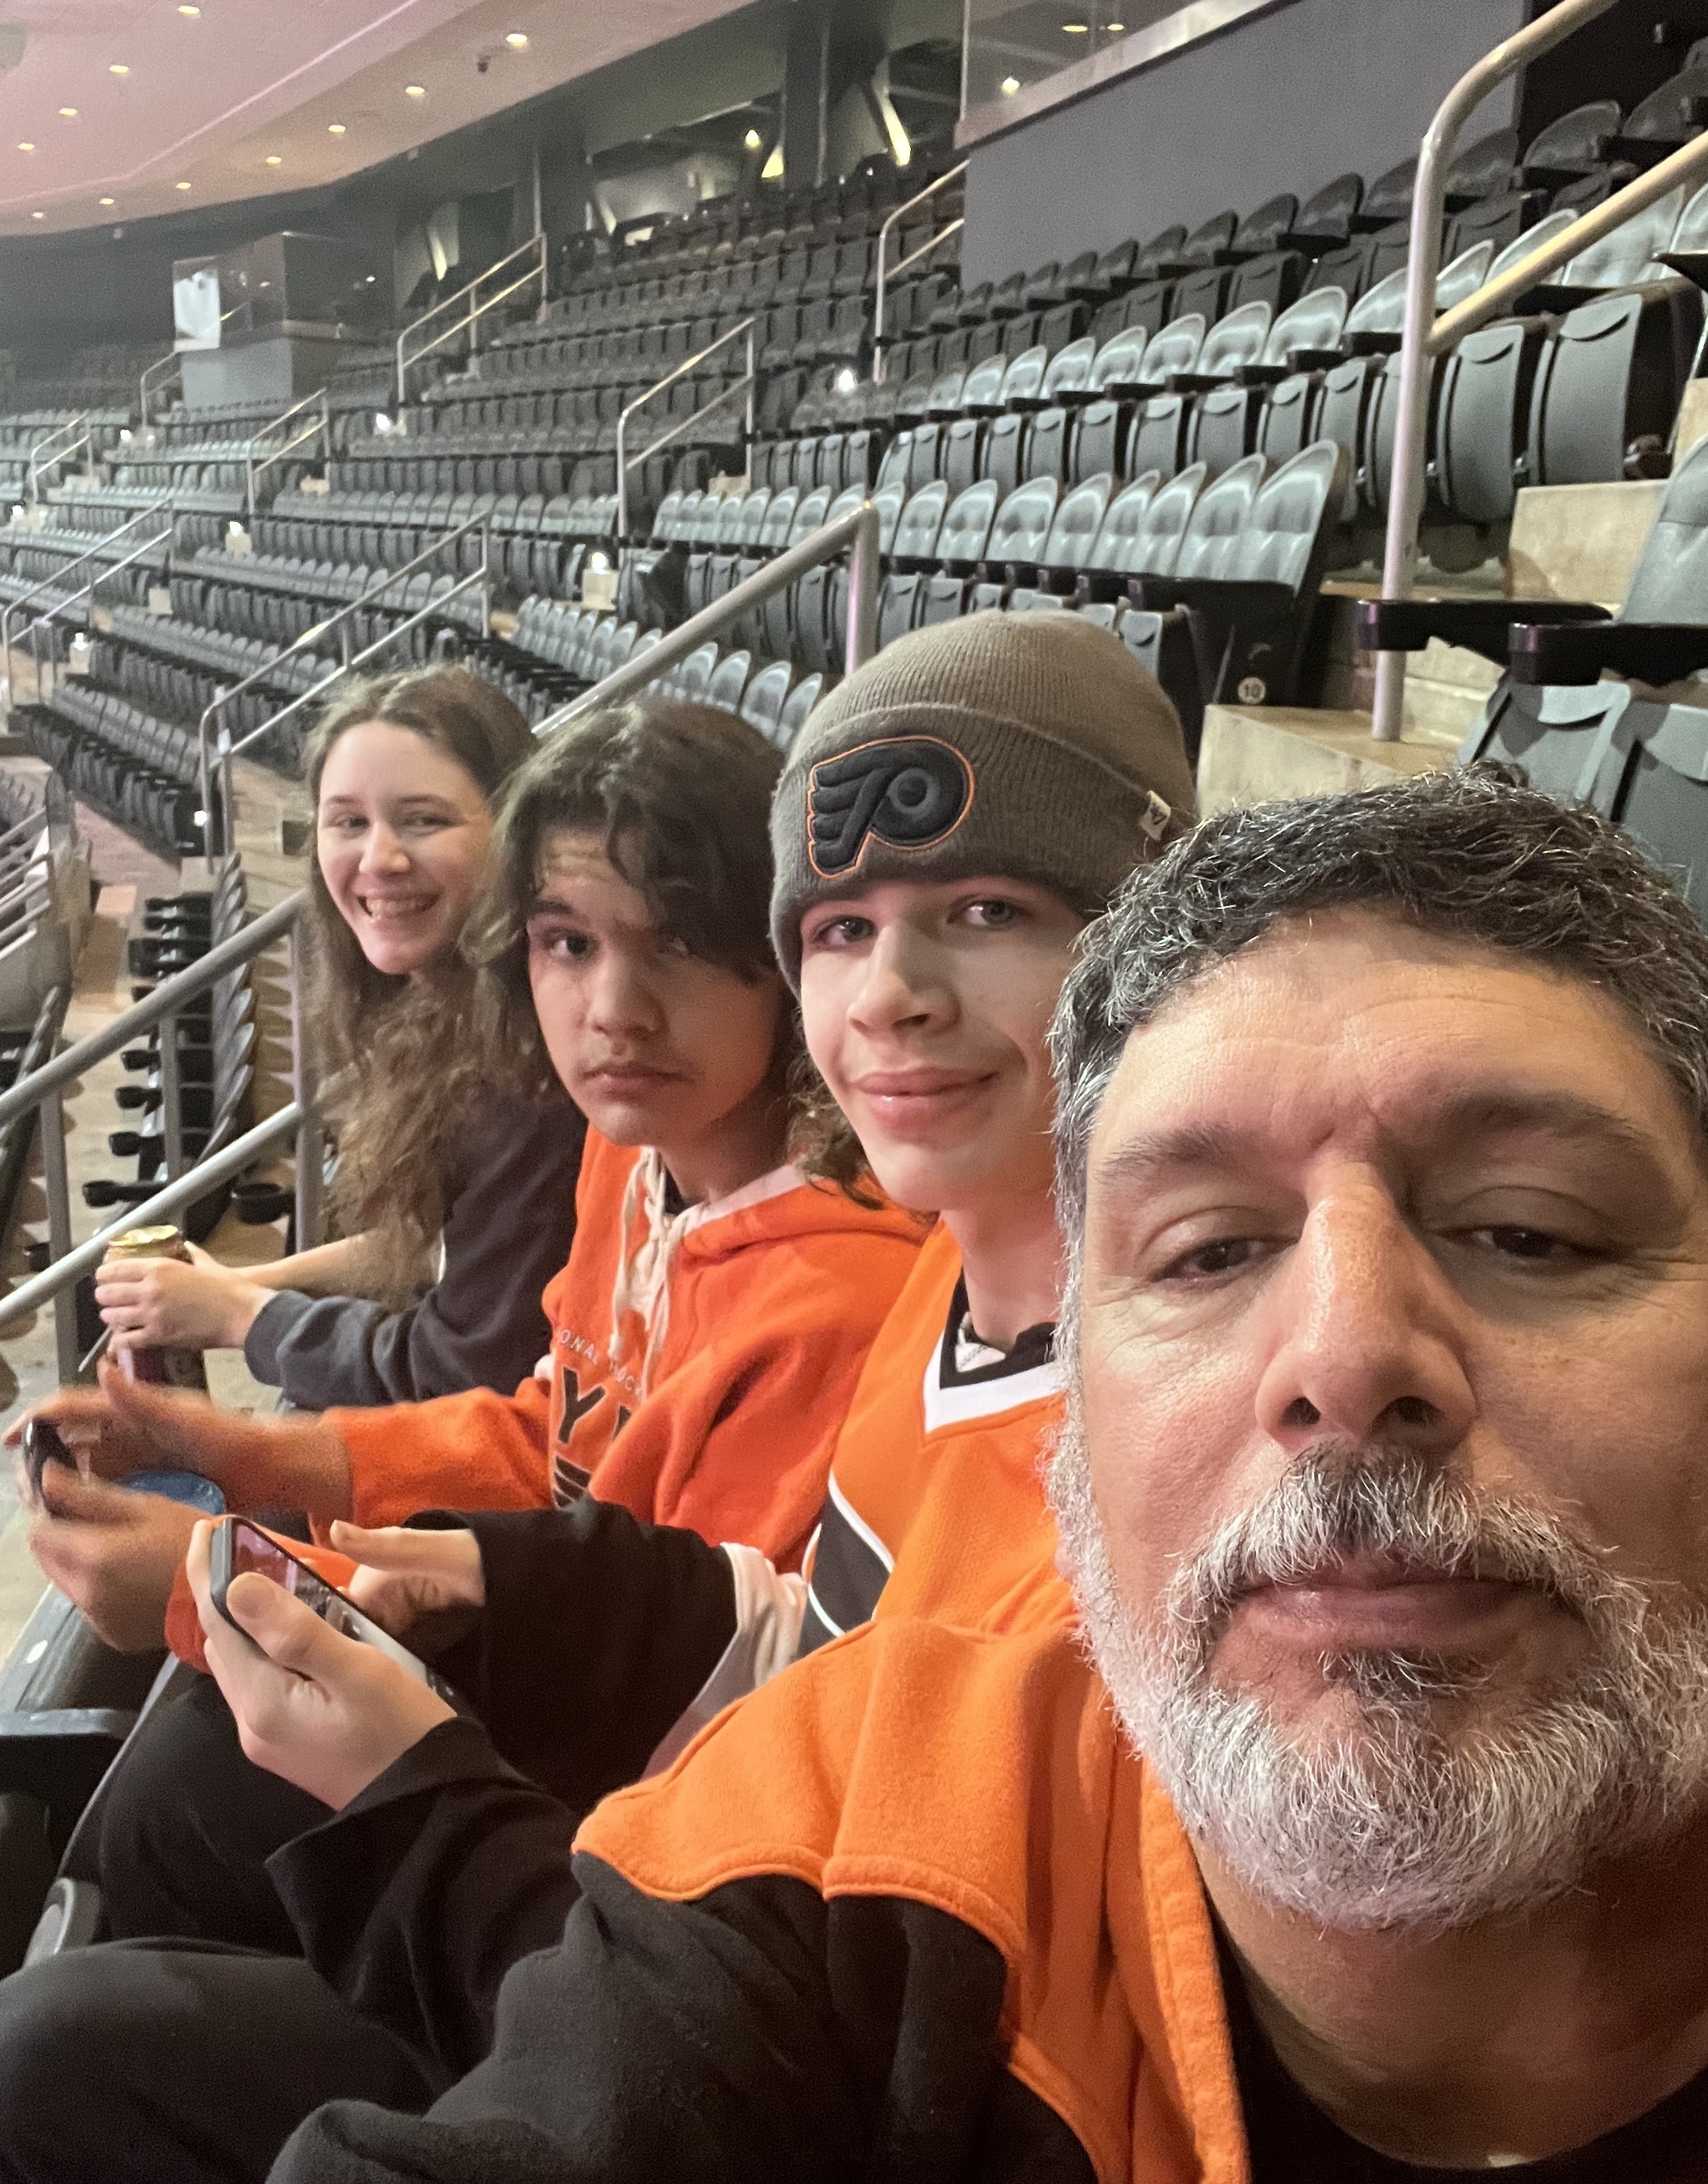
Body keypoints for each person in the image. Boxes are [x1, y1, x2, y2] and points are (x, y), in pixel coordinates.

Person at [60, 763, 1708, 2184]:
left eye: (1530, 1232)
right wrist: (481, 1564)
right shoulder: (900, 1655)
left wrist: (419, 1807)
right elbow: (770, 1628)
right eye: (1211, 1250)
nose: (1344, 1354)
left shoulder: (886, 1332)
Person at [0, 613, 1199, 2180]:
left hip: (703, 1977)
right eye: (843, 926)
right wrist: (276, 1475)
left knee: (64, 2050)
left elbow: (805, 1924)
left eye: (986, 911)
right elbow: (638, 1508)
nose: (893, 993)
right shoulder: (907, 1255)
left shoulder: (1047, 1411)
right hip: (664, 1881)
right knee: (172, 1802)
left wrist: (370, 1735)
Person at [91, 664, 585, 1414]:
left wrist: (242, 1316)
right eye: (349, 822)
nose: (379, 859)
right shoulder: (441, 1010)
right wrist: (236, 1284)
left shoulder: (534, 1069)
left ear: (513, 832)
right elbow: (427, 1248)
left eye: (425, 820)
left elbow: (463, 1371)